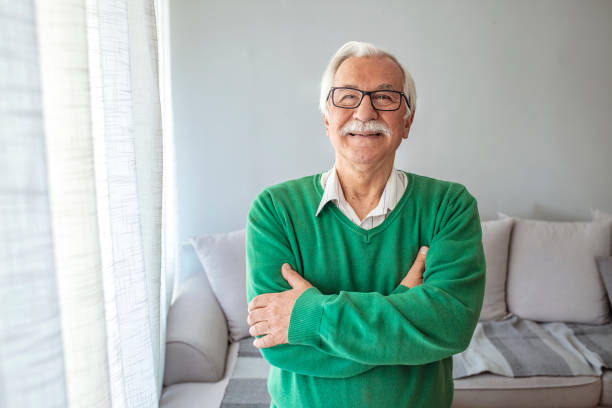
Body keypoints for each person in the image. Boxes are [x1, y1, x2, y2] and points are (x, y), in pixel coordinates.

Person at [245, 40, 486, 408]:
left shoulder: (449, 206)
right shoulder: (275, 210)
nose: (365, 110)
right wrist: (404, 307)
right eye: (346, 97)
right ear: (326, 118)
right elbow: (280, 348)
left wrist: (310, 316)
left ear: (407, 121)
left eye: (386, 98)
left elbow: (451, 325)